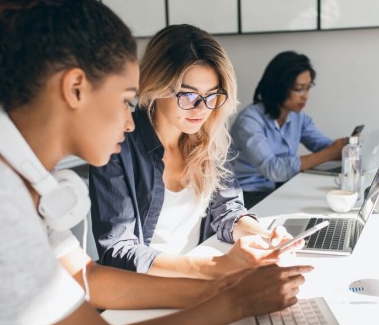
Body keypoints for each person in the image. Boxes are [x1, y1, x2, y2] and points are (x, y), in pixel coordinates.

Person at [0, 0, 311, 325]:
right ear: (75, 88)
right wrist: (233, 302)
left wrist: (218, 288)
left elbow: (89, 279)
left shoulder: (23, 183)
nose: (129, 121)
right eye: (126, 100)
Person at [89, 24, 300, 279]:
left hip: (202, 278)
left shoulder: (209, 141)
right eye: (189, 96)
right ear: (157, 86)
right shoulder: (117, 146)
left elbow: (228, 211)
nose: (202, 109)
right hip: (148, 288)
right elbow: (118, 250)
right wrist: (213, 268)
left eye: (212, 96)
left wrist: (266, 237)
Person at [230, 51, 346, 208]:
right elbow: (273, 169)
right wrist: (330, 153)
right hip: (245, 195)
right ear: (279, 87)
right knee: (309, 205)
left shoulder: (298, 117)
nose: (305, 96)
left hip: (278, 187)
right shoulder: (249, 121)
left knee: (320, 199)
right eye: (299, 89)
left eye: (308, 88)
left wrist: (346, 147)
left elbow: (324, 146)